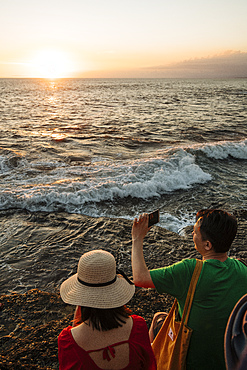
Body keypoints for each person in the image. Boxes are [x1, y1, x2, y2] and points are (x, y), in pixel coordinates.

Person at [131, 209, 247, 370]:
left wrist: (137, 238)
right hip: (230, 357)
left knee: (158, 319)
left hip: (190, 361)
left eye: (195, 231)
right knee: (161, 316)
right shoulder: (243, 269)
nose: (192, 233)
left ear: (207, 245)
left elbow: (140, 278)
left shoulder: (190, 270)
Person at [58, 249, 157, 370]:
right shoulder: (138, 326)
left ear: (80, 297)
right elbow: (150, 366)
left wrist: (81, 304)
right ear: (115, 292)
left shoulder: (68, 341)